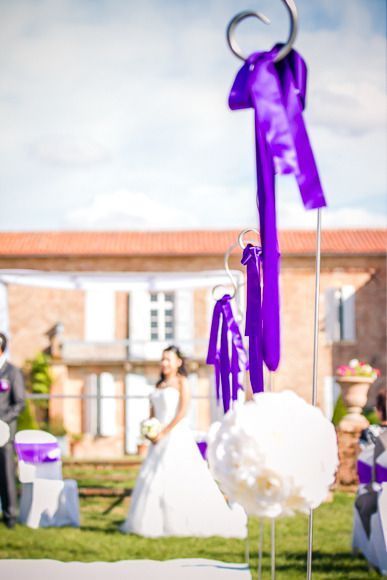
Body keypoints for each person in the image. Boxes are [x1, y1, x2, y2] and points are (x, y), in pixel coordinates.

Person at [120, 345, 247, 538]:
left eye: (168, 359)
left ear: (178, 362)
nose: (164, 363)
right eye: (162, 359)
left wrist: (165, 431)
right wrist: (151, 430)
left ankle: (186, 520)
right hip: (158, 439)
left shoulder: (182, 382)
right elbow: (153, 414)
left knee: (180, 476)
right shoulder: (158, 385)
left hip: (175, 436)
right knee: (152, 479)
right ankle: (153, 523)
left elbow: (182, 411)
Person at [0, 333, 25, 528]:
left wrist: (2, 420)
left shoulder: (12, 372)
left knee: (7, 474)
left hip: (4, 433)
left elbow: (19, 403)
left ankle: (10, 516)